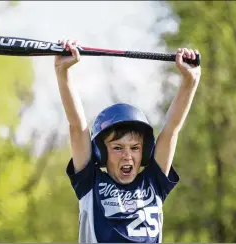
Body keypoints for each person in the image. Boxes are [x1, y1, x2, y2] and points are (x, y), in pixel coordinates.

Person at [54, 38, 201, 243]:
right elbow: (77, 128)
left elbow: (171, 130)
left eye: (135, 148)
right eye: (117, 147)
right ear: (101, 153)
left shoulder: (153, 183)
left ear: (143, 152)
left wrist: (190, 81)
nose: (127, 155)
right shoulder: (90, 183)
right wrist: (63, 72)